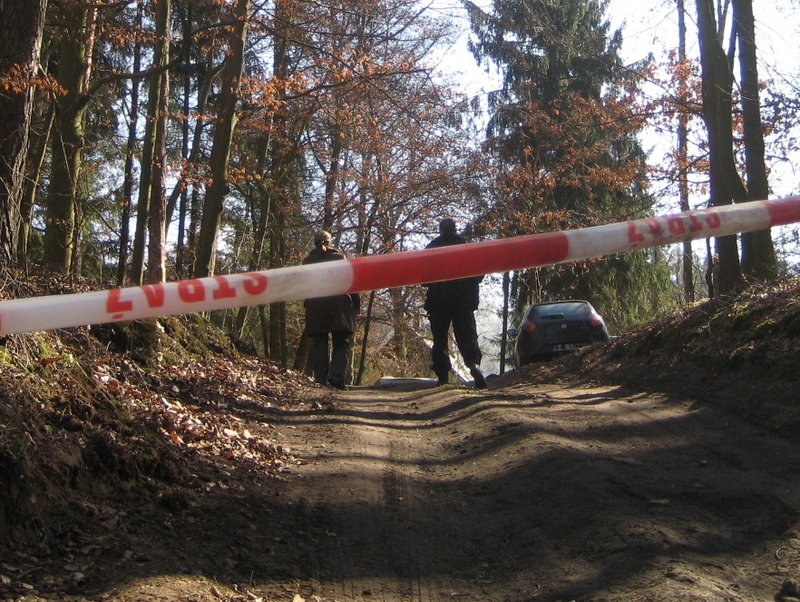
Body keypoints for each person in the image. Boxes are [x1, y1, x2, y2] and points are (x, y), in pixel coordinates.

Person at [423, 218, 487, 389]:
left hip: (439, 302)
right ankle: (474, 367)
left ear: (440, 231)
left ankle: (443, 376)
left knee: (440, 340)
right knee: (467, 337)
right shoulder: (468, 249)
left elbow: (423, 278)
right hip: (464, 302)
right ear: (455, 230)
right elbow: (480, 275)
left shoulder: (431, 249)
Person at [302, 230, 360, 390]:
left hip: (315, 306)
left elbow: (302, 286)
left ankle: (320, 379)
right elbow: (351, 282)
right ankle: (336, 377)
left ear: (315, 243)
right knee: (342, 342)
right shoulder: (340, 258)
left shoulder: (306, 262)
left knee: (319, 342)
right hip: (339, 306)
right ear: (330, 242)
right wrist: (356, 304)